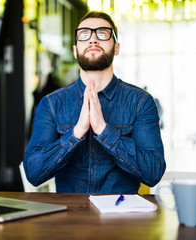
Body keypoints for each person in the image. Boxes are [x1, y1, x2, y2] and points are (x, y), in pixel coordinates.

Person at [24, 11, 166, 194]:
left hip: (122, 216)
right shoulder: (51, 104)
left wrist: (104, 130)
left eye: (102, 33)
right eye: (84, 34)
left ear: (116, 47)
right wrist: (76, 133)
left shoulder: (141, 102)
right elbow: (33, 173)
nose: (93, 39)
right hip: (69, 217)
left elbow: (153, 173)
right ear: (75, 50)